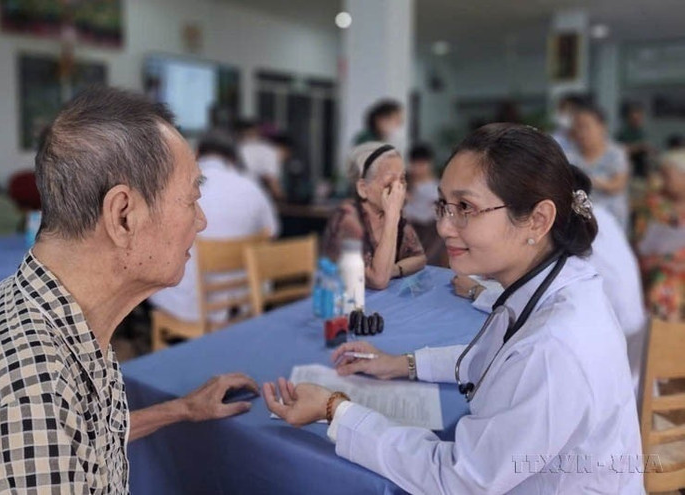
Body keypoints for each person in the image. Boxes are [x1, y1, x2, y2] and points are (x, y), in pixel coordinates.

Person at [0, 88, 259, 493]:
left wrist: (179, 409)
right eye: (191, 201)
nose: (200, 222)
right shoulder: (33, 388)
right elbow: (46, 430)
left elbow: (80, 438)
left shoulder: (51, 305)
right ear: (123, 215)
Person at [265, 124, 642, 494]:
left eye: (466, 207)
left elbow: (460, 478)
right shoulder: (551, 287)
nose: (444, 227)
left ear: (538, 220)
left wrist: (336, 408)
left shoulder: (555, 346)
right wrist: (402, 364)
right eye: (443, 205)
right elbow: (500, 357)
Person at [452, 165, 647, 394]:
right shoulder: (591, 223)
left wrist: (480, 292)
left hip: (613, 364)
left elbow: (536, 299)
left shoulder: (550, 336)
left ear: (542, 216)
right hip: (627, 350)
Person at [149, 131, 279, 323]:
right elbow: (271, 232)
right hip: (245, 303)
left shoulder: (176, 184)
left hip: (189, 308)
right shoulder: (252, 187)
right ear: (233, 158)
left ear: (197, 153)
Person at [321, 142, 426, 289]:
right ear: (363, 188)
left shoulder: (393, 215)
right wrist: (392, 217)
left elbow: (419, 258)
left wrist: (394, 269)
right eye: (389, 183)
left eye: (402, 179)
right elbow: (378, 280)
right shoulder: (348, 219)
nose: (398, 190)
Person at [634, 150, 685, 321]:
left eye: (668, 176)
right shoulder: (653, 203)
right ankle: (665, 340)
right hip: (659, 266)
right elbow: (641, 244)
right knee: (665, 284)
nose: (663, 181)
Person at [571, 103, 631, 230]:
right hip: (581, 221)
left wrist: (589, 181)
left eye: (585, 126)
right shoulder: (570, 156)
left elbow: (618, 184)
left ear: (601, 127)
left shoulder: (616, 153)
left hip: (613, 218)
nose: (580, 132)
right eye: (577, 127)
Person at [403, 142, 446, 266]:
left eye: (421, 164)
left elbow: (428, 216)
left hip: (428, 233)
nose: (418, 168)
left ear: (429, 164)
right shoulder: (406, 183)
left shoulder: (436, 187)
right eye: (414, 164)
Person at [236, 118, 284, 201]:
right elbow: (271, 180)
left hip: (232, 196)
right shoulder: (266, 150)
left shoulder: (234, 148)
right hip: (253, 198)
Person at [616, 101, 653, 178]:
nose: (637, 120)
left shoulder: (643, 132)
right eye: (634, 117)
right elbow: (619, 150)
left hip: (643, 170)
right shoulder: (623, 133)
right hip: (628, 169)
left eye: (640, 117)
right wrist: (638, 147)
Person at [551, 93, 589, 162]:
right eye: (561, 109)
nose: (562, 114)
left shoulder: (591, 140)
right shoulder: (555, 139)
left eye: (569, 110)